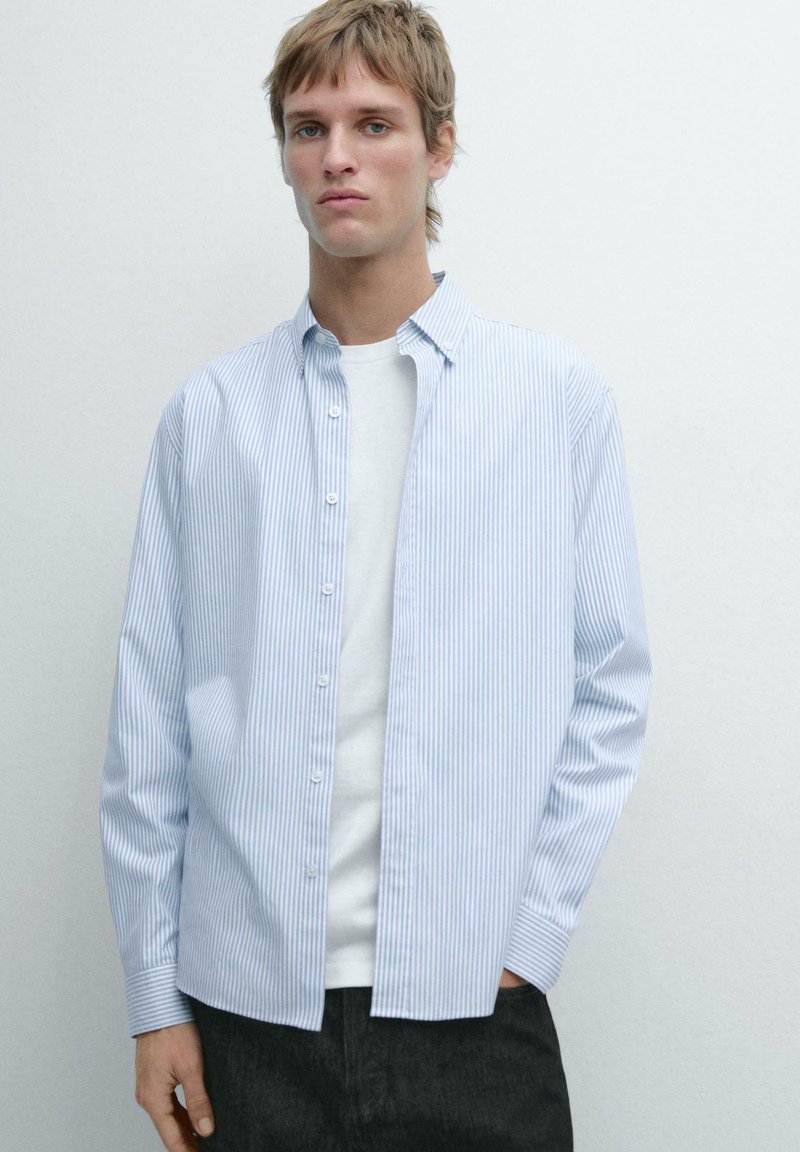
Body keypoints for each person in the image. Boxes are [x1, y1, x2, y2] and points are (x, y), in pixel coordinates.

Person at [98, 1, 652, 1149]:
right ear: (283, 156)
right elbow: (150, 725)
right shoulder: (210, 417)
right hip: (247, 1014)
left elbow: (609, 686)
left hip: (472, 1009)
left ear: (439, 145)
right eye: (307, 128)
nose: (336, 157)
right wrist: (156, 1002)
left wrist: (528, 938)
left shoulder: (549, 399)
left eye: (373, 124)